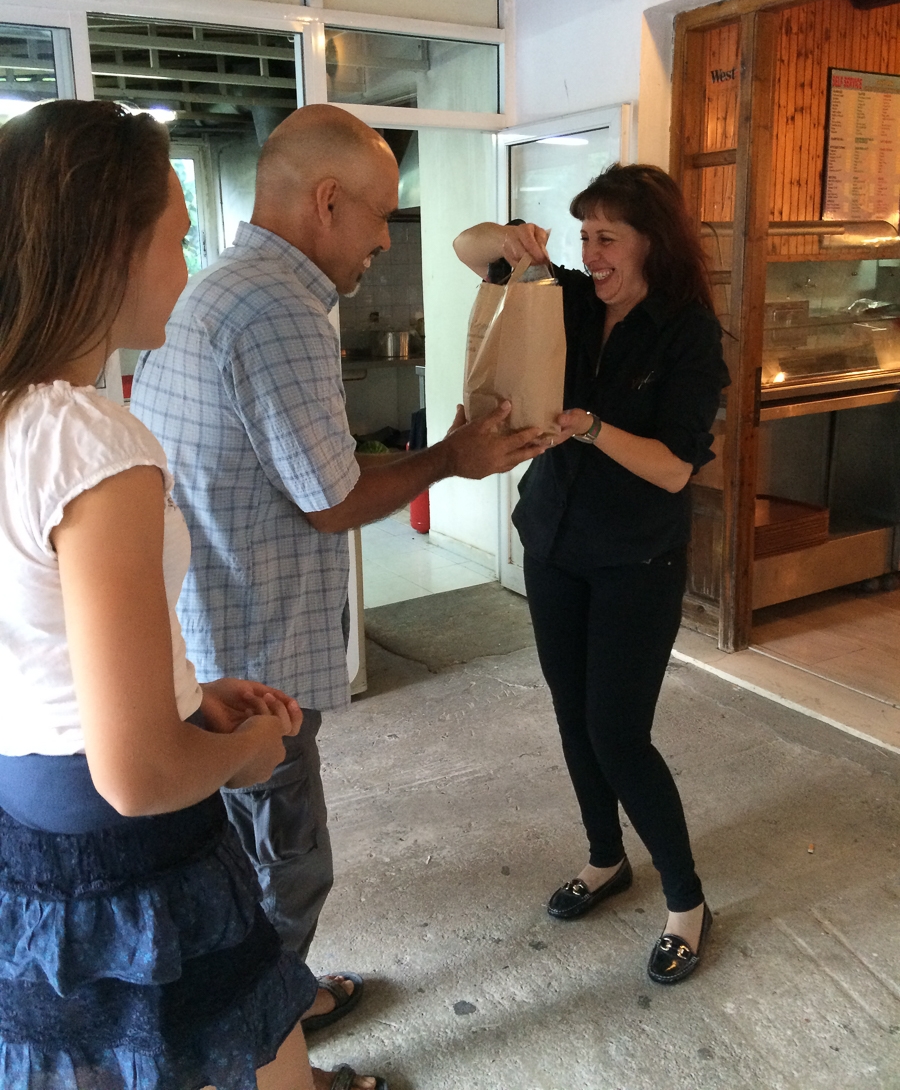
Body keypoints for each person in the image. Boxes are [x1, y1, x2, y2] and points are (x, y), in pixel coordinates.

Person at [0, 99, 391, 1090]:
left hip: (32, 828)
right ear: (112, 252)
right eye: (177, 239)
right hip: (131, 853)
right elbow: (137, 774)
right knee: (256, 1055)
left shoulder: (15, 420)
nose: (189, 266)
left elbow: (44, 647)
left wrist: (186, 693)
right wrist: (244, 752)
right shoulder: (94, 442)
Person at [131, 103, 549, 1029]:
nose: (384, 239)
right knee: (288, 863)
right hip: (257, 650)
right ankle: (273, 1040)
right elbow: (332, 500)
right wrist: (451, 457)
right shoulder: (279, 309)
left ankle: (261, 1012)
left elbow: (299, 473)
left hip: (211, 628)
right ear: (327, 201)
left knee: (237, 853)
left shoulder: (223, 287)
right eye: (380, 215)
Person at [453, 164, 730, 986]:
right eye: (584, 235)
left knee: (617, 733)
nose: (592, 252)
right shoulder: (566, 297)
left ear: (651, 242)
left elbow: (675, 468)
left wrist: (593, 428)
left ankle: (687, 901)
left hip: (636, 558)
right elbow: (469, 250)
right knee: (572, 717)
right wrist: (509, 240)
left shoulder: (686, 332)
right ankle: (607, 858)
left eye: (608, 237)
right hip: (554, 542)